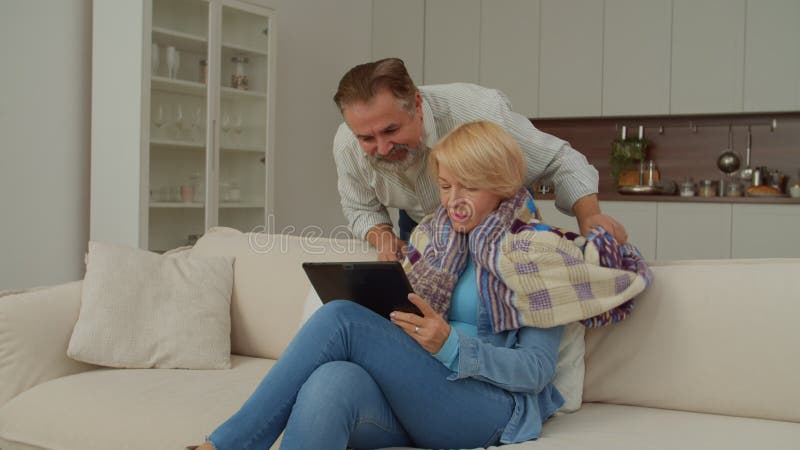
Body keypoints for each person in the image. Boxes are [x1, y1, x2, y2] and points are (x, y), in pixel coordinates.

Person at [188, 121, 651, 450]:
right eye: (445, 187)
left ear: (502, 186)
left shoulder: (538, 254)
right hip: (420, 397)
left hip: (484, 407)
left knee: (341, 320)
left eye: (467, 187)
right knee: (333, 380)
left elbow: (534, 371)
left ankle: (225, 445)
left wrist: (451, 345)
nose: (452, 201)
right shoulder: (432, 239)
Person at [333, 57, 628, 261]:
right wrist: (384, 239)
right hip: (422, 230)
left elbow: (560, 160)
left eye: (391, 130)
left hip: (499, 229)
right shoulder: (347, 144)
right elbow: (361, 209)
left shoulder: (478, 111)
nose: (382, 148)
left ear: (417, 104)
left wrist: (589, 215)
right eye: (367, 139)